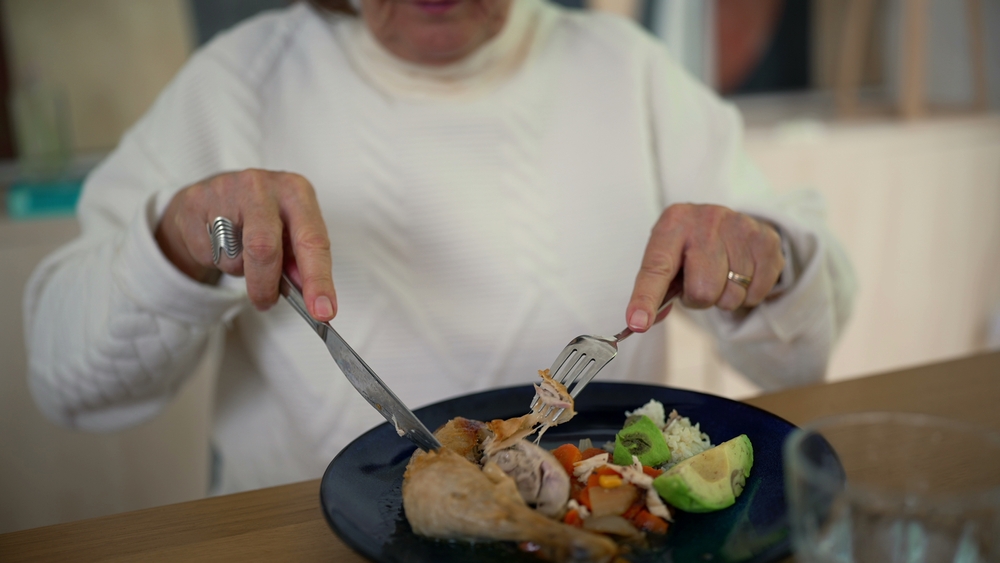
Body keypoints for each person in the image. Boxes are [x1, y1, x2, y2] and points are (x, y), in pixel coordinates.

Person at [23, 0, 855, 494]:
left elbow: (806, 347)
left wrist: (768, 255)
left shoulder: (626, 70)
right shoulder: (239, 79)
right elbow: (65, 380)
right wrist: (184, 243)